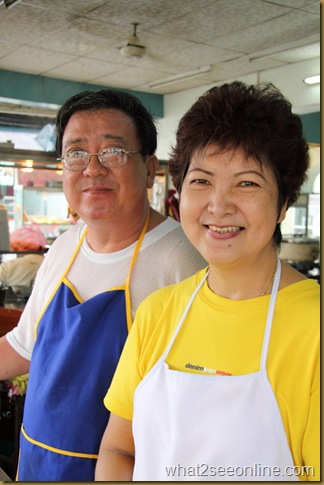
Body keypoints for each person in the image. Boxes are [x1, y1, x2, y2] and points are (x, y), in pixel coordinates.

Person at [95, 82, 320, 481]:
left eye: (247, 182)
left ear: (284, 202)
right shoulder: (158, 312)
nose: (219, 205)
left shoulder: (313, 327)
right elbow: (118, 449)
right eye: (201, 181)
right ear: (179, 192)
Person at [0, 89, 207, 481]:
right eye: (76, 153)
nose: (92, 169)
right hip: (38, 461)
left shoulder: (182, 261)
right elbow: (23, 346)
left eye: (112, 152)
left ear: (149, 170)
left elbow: (196, 406)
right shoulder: (65, 246)